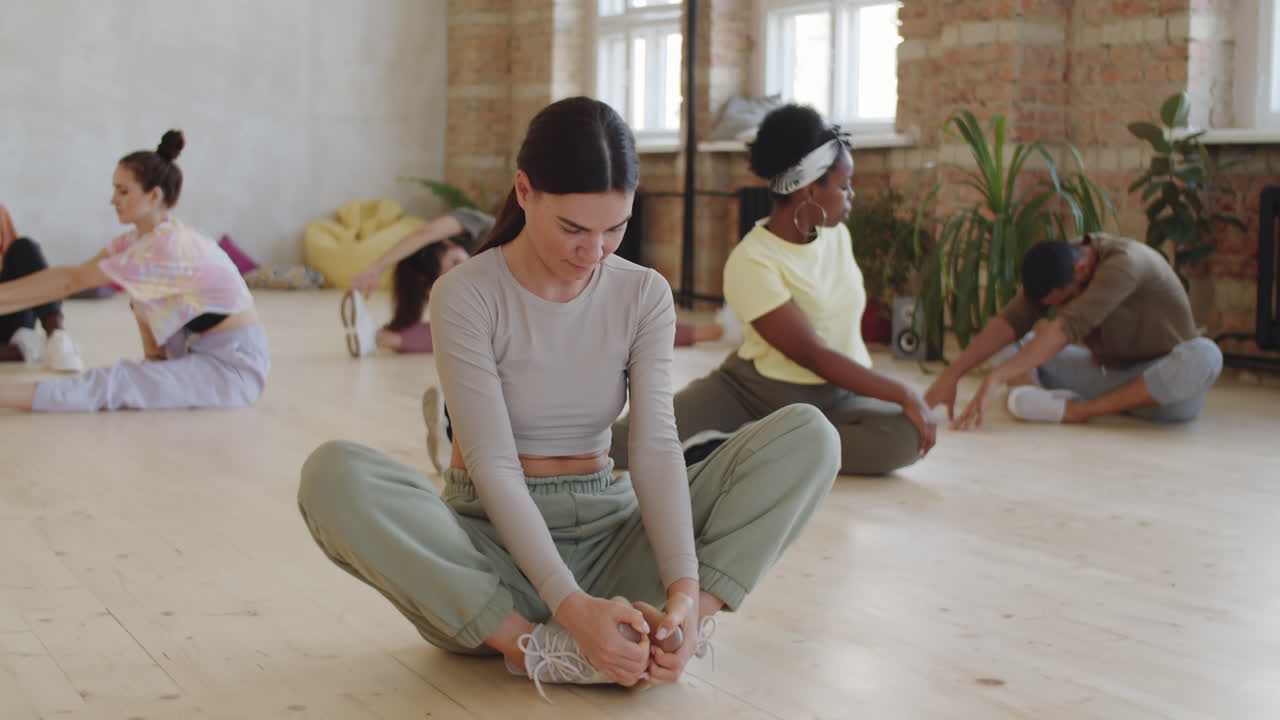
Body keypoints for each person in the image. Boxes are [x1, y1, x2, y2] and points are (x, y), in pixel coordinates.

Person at [298, 97, 839, 701]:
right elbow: (494, 465)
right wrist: (569, 609)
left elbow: (655, 447)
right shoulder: (466, 293)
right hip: (491, 564)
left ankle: (670, 633)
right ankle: (534, 647)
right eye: (574, 229)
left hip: (611, 530)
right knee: (334, 473)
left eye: (616, 228)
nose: (596, 251)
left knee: (810, 435)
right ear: (524, 191)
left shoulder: (644, 294)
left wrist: (685, 594)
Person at [611, 104, 935, 476]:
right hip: (755, 392)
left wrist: (898, 398)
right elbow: (812, 354)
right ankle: (760, 443)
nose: (852, 195)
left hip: (839, 393)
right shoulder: (752, 260)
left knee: (906, 436)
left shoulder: (837, 237)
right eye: (844, 186)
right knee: (631, 443)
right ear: (809, 190)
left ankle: (748, 446)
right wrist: (903, 391)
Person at [0, 131, 269, 412]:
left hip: (232, 369)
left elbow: (70, 283)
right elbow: (76, 276)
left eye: (123, 191)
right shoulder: (134, 242)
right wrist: (153, 363)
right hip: (192, 353)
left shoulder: (168, 244)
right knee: (126, 375)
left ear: (154, 195)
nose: (113, 200)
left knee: (115, 384)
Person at [923, 233, 1224, 428]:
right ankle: (1040, 400)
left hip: (1162, 388)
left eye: (1066, 300)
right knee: (1011, 344)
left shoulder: (1125, 263)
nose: (1063, 306)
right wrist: (952, 374)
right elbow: (1011, 321)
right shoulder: (1060, 263)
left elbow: (1064, 329)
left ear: (1083, 271)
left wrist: (997, 377)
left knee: (1205, 354)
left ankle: (1078, 411)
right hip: (1106, 374)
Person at [340, 207, 727, 356]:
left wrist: (377, 266)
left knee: (629, 327)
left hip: (558, 296)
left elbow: (425, 232)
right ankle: (378, 337)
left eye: (456, 260)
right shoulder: (467, 288)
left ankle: (719, 330)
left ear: (452, 243)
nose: (461, 267)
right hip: (517, 321)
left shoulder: (477, 224)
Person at [0, 204, 83, 371]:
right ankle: (25, 349)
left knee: (24, 247)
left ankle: (57, 337)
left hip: (9, 309)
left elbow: (15, 259)